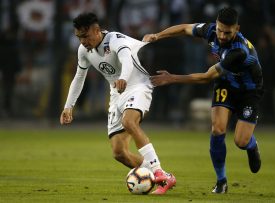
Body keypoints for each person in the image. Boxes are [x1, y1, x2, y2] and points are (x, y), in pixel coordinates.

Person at [143, 7, 262, 194]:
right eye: (220, 30)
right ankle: (221, 181)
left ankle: (251, 145)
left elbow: (207, 77)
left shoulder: (238, 52)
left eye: (227, 32)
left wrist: (172, 78)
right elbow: (183, 28)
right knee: (217, 129)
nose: (222, 35)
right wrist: (157, 35)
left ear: (237, 29)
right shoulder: (211, 30)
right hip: (225, 84)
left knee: (240, 141)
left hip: (249, 91)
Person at [60, 12, 176, 195]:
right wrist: (68, 106)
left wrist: (123, 78)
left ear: (97, 31)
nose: (82, 41)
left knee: (129, 122)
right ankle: (163, 176)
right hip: (117, 93)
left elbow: (126, 60)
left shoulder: (115, 40)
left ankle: (159, 171)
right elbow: (79, 77)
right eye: (78, 37)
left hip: (138, 84)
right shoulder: (83, 51)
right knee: (119, 152)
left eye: (85, 36)